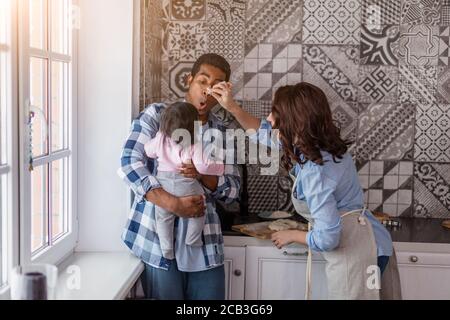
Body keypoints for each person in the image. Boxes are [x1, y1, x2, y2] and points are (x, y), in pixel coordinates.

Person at [210, 81, 401, 300]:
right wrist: (232, 106)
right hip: (373, 242)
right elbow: (263, 133)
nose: (269, 120)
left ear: (295, 122)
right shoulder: (318, 148)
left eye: (275, 113)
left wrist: (291, 235)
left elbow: (328, 238)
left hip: (360, 253)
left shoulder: (315, 172)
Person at [118, 54, 241, 300]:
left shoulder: (221, 133)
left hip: (204, 243)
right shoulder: (158, 115)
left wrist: (202, 175)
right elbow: (129, 163)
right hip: (156, 240)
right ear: (189, 80)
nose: (207, 91)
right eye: (202, 82)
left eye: (216, 86)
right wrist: (173, 204)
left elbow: (233, 190)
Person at [144, 102, 224, 260]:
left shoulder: (161, 138)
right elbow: (203, 167)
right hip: (186, 184)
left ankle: (166, 248)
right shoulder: (194, 143)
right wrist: (219, 168)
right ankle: (193, 239)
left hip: (163, 184)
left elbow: (148, 151)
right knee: (199, 205)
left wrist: (159, 139)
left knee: (163, 216)